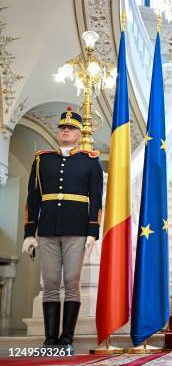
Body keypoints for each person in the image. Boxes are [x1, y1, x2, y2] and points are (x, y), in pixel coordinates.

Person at [21, 106, 103, 352]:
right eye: (63, 128)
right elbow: (33, 198)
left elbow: (96, 199)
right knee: (51, 283)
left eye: (71, 128)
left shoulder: (90, 161)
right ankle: (50, 339)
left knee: (71, 282)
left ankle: (67, 337)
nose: (66, 131)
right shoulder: (42, 159)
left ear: (79, 133)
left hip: (76, 230)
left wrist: (92, 232)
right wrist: (28, 234)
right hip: (46, 230)